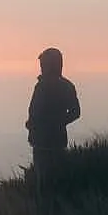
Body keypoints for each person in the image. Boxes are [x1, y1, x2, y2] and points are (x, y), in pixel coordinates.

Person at [25, 47, 81, 187]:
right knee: (55, 181)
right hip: (53, 141)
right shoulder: (65, 86)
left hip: (45, 143)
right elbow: (75, 112)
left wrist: (49, 124)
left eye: (43, 64)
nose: (41, 68)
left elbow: (75, 112)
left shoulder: (44, 86)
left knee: (45, 183)